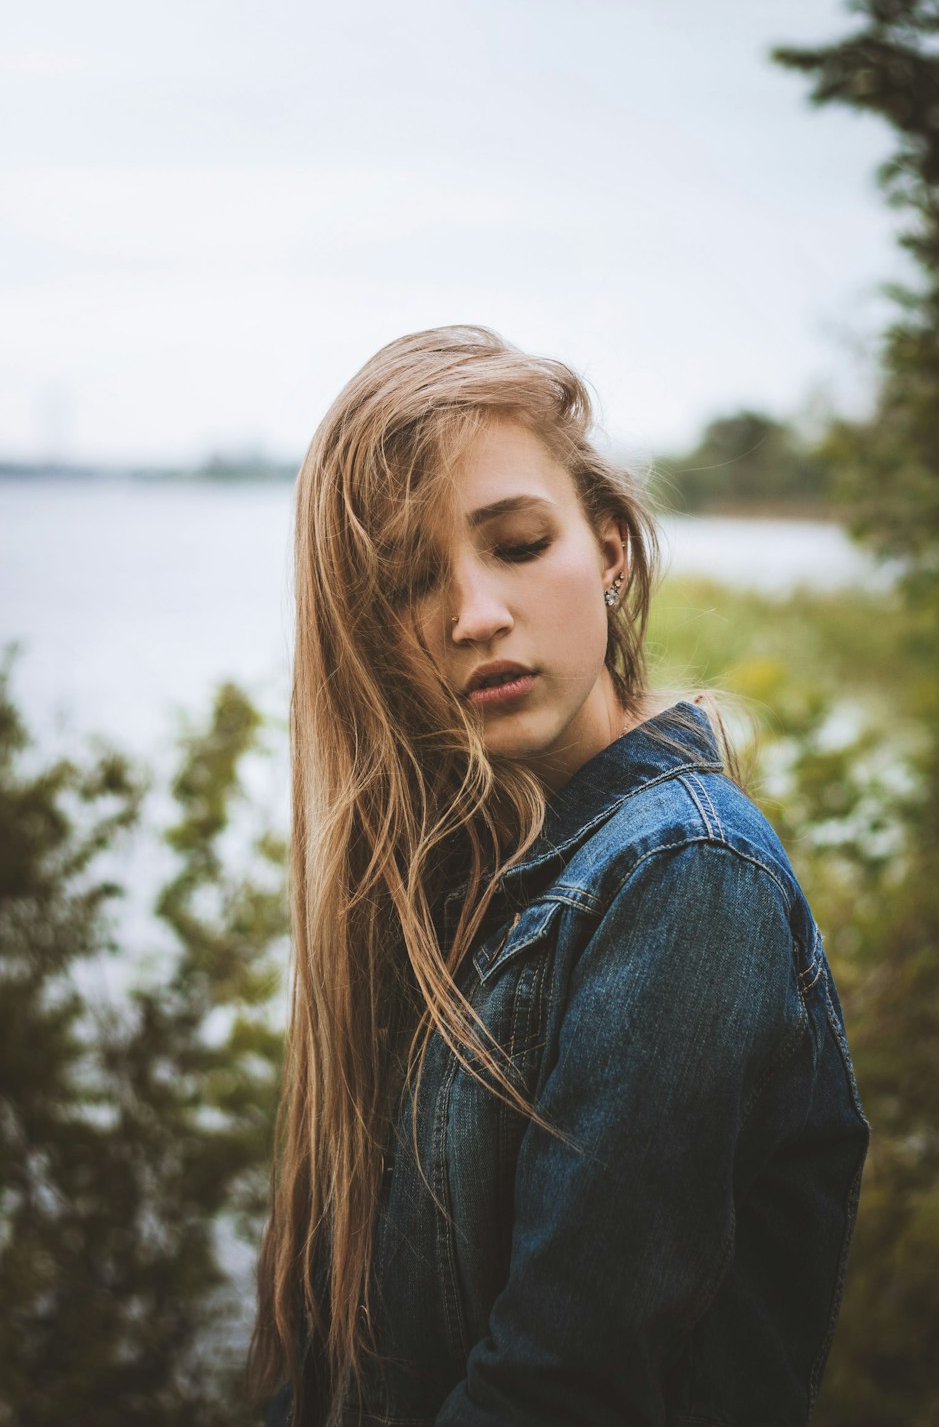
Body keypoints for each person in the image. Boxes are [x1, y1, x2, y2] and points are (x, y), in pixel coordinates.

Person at [249, 325, 869, 1427]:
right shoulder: (456, 882)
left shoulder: (685, 877)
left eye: (519, 545)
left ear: (612, 546)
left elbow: (560, 1387)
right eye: (409, 579)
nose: (473, 615)